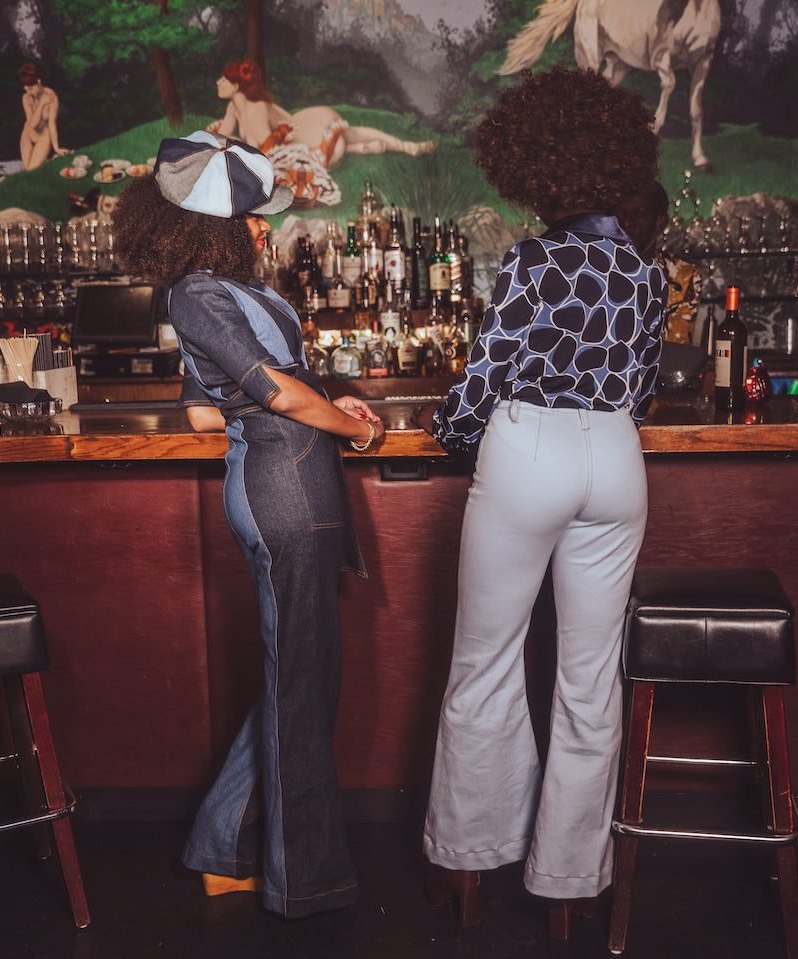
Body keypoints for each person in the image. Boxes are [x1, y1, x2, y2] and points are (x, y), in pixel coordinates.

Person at [412, 66, 668, 932]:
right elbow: (640, 389)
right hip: (617, 458)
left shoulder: (531, 259)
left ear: (535, 164)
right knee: (591, 683)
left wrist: (444, 430)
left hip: (530, 448)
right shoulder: (645, 269)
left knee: (486, 666)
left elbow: (483, 382)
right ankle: (567, 882)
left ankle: (471, 866)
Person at [111, 130, 384, 918]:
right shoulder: (197, 290)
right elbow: (273, 393)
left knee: (299, 675)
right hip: (281, 493)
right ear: (214, 225)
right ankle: (302, 878)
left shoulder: (230, 290)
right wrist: (356, 429)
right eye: (255, 218)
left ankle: (221, 848)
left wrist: (337, 400)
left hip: (295, 485)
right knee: (302, 680)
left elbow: (207, 402)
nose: (267, 228)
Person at [208, 60, 436, 206]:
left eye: (224, 80)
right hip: (301, 139)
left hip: (308, 135)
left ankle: (404, 146)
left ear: (236, 86)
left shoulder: (256, 108)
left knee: (345, 136)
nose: (218, 83)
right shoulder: (234, 108)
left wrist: (235, 142)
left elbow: (268, 152)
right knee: (348, 138)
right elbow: (222, 136)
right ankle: (386, 147)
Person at [618, 182, 702, 345]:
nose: (627, 223)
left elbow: (676, 349)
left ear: (661, 222)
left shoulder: (682, 275)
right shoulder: (600, 268)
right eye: (620, 215)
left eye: (638, 214)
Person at [19, 64, 69, 170]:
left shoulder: (52, 96)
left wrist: (56, 148)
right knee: (26, 168)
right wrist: (41, 104)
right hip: (28, 132)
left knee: (30, 170)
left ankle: (52, 160)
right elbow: (32, 124)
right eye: (27, 90)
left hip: (44, 134)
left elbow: (52, 123)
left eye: (31, 89)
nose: (29, 92)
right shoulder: (26, 98)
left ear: (38, 82)